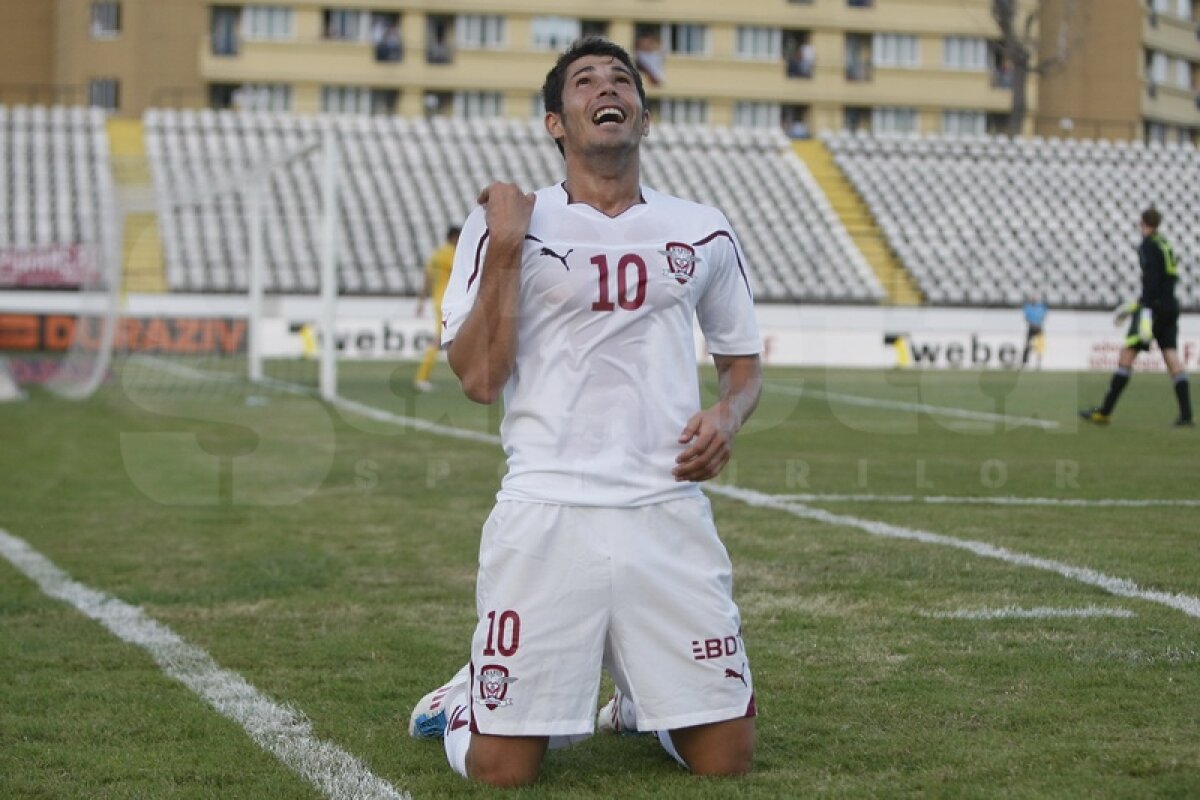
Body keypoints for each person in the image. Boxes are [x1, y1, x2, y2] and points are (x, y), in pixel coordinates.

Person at [408, 37, 763, 788]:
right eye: (584, 81)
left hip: (665, 508)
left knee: (726, 762)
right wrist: (507, 243)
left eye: (621, 79)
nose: (608, 87)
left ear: (643, 113)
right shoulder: (505, 224)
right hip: (548, 509)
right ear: (556, 124)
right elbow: (476, 379)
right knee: (502, 772)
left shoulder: (701, 227)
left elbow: (742, 364)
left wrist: (726, 417)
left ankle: (642, 704)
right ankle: (465, 697)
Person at [1080, 208, 1192, 427]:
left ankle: (1104, 412)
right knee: (1172, 358)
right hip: (1171, 306)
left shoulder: (1148, 245)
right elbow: (1167, 276)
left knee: (1126, 356)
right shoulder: (1165, 244)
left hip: (1154, 309)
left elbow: (1151, 277)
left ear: (1143, 223)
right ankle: (1187, 415)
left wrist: (1144, 305)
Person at [413, 226, 460, 392]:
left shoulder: (435, 255)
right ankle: (421, 377)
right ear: (454, 238)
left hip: (437, 300)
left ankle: (462, 376)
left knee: (455, 338)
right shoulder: (451, 254)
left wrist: (421, 302)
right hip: (449, 301)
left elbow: (427, 280)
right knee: (441, 339)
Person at [1021, 292, 1047, 369]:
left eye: (1034, 298)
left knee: (1040, 347)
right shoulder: (1028, 307)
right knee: (1027, 346)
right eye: (1032, 298)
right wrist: (1032, 323)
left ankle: (1038, 364)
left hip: (1039, 328)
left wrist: (1037, 322)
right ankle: (1024, 363)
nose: (1033, 299)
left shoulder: (1041, 307)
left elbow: (1043, 316)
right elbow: (1026, 318)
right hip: (1031, 328)